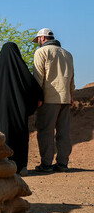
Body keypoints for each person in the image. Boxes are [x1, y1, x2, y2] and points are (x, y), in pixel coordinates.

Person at [0, 42, 44, 175]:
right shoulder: (21, 70)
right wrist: (37, 99)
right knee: (20, 135)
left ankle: (5, 165)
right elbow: (32, 85)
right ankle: (21, 166)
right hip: (18, 112)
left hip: (0, 113)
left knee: (3, 135)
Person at [32, 28, 75, 173]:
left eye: (37, 39)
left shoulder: (41, 52)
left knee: (46, 131)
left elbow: (38, 77)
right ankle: (62, 163)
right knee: (64, 132)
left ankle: (46, 165)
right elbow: (71, 78)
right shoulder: (67, 54)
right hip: (65, 98)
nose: (37, 42)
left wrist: (38, 97)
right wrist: (71, 95)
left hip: (48, 99)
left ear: (42, 38)